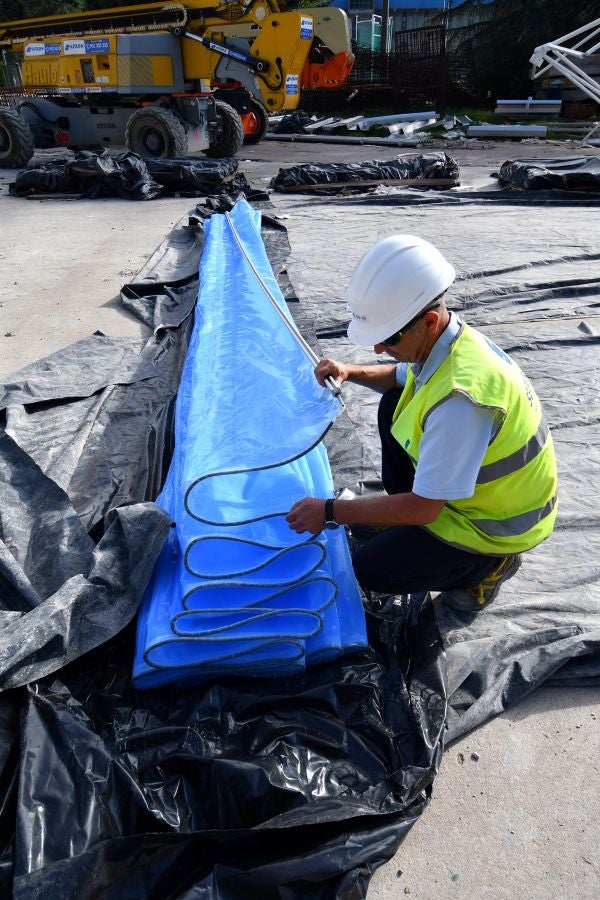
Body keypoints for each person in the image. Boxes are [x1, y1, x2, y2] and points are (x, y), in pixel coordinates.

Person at [286, 234, 558, 610]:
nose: (378, 348)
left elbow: (424, 508)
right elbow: (401, 376)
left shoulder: (460, 403)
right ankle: (406, 521)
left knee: (370, 569)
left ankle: (491, 566)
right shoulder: (446, 342)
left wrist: (331, 511)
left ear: (428, 321)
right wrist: (351, 370)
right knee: (393, 405)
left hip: (495, 527)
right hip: (471, 499)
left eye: (387, 337)